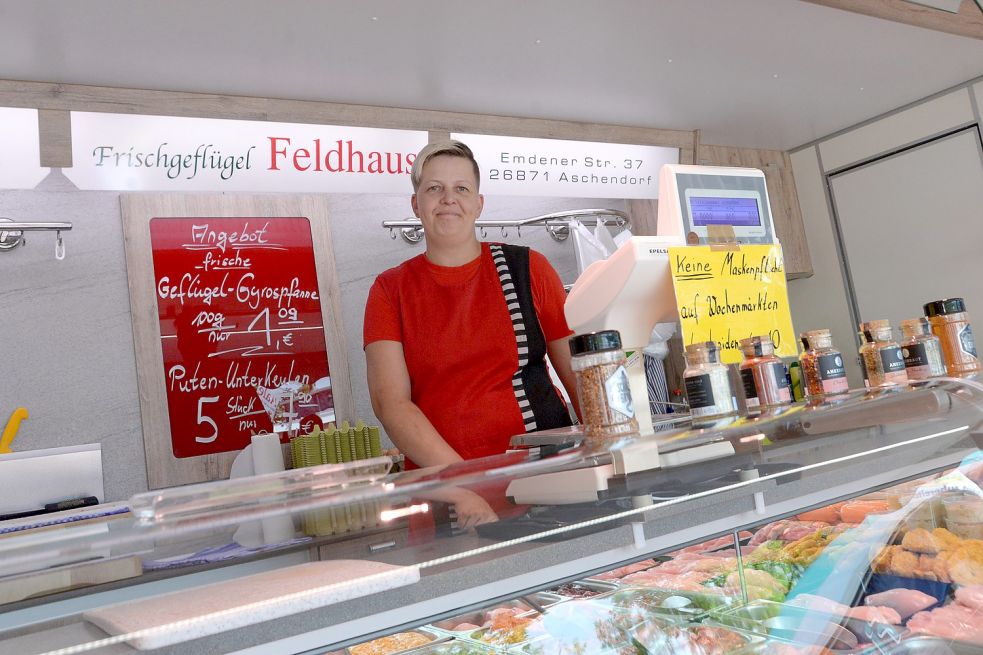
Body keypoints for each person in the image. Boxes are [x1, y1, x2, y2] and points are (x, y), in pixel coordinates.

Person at [363, 140, 580, 526]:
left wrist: (611, 457)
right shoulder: (389, 290)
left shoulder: (529, 268)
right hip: (450, 500)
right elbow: (391, 404)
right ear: (416, 204)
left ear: (479, 203)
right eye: (434, 188)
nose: (448, 199)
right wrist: (465, 489)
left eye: (461, 189)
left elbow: (579, 374)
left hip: (547, 485)